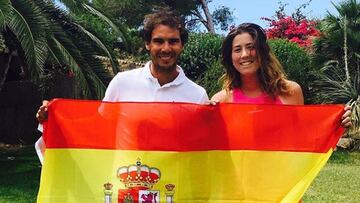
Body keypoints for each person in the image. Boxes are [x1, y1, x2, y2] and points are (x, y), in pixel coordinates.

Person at [35, 9, 209, 163]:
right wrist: (54, 118)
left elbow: (207, 147)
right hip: (127, 184)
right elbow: (98, 126)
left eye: (173, 41)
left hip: (174, 189)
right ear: (147, 44)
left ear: (182, 45)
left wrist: (217, 116)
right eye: (158, 41)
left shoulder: (197, 95)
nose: (166, 48)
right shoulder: (122, 83)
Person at [211, 23, 351, 126]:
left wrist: (335, 125)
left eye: (251, 47)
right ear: (230, 58)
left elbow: (303, 138)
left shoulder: (291, 92)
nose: (245, 54)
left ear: (262, 52)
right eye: (237, 49)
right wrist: (205, 118)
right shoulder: (220, 101)